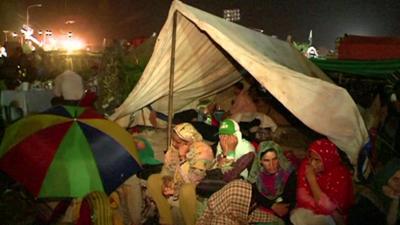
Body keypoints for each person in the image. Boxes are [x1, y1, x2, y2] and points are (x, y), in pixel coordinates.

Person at [196, 141, 296, 225]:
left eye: (275, 159)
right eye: (267, 160)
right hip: (260, 206)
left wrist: (274, 209)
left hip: (278, 211)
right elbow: (253, 193)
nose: (272, 164)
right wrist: (271, 205)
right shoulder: (257, 173)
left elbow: (286, 204)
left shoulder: (288, 173)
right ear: (260, 161)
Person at [146, 123, 204, 225]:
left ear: (189, 142)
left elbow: (194, 181)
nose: (173, 143)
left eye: (177, 142)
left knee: (186, 190)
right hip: (176, 184)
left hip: (194, 191)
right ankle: (167, 220)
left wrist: (182, 159)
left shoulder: (201, 153)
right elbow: (167, 170)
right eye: (173, 140)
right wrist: (166, 181)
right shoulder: (173, 150)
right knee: (153, 180)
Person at [290, 139, 354, 225]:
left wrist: (312, 180)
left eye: (317, 160)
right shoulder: (306, 165)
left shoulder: (341, 175)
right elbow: (302, 197)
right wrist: (331, 211)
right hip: (311, 211)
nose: (312, 163)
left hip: (330, 218)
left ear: (328, 159)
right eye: (310, 158)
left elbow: (336, 210)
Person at [348, 158, 400, 225]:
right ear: (386, 177)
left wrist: (395, 200)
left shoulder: (394, 202)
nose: (399, 185)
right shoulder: (366, 199)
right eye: (395, 179)